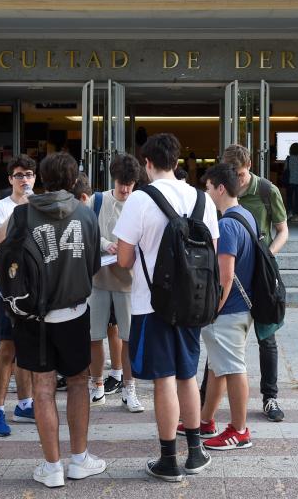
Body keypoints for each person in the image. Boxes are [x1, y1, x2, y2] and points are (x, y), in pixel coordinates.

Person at [115, 133, 217, 482]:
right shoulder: (202, 198)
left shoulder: (140, 200)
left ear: (146, 163)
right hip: (193, 302)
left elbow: (125, 260)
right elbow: (212, 253)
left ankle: (168, 459)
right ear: (178, 162)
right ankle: (196, 451)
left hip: (151, 303)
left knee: (164, 380)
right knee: (188, 375)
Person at [6, 152, 106, 489]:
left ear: (43, 178)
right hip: (75, 313)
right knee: (79, 382)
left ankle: (52, 467)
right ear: (74, 179)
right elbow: (93, 265)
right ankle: (79, 459)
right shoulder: (87, 215)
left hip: (32, 316)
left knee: (43, 389)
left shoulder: (21, 214)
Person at [221, 144, 287, 423]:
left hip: (259, 271)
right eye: (233, 174)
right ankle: (204, 399)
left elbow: (283, 230)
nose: (238, 179)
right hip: (232, 272)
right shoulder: (221, 191)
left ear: (249, 168)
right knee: (221, 336)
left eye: (242, 174)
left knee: (266, 337)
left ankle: (270, 397)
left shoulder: (266, 190)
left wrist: (267, 256)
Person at [199, 163, 256, 451]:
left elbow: (225, 276)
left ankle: (239, 430)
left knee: (232, 368)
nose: (206, 193)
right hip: (242, 308)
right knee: (217, 366)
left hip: (229, 310)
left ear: (220, 188)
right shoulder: (245, 215)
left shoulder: (227, 225)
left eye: (208, 188)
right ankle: (205, 420)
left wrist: (214, 310)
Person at [0, 155, 37, 435]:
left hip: (32, 289)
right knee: (6, 349)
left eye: (28, 174)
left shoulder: (39, 205)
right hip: (4, 289)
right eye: (18, 175)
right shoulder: (1, 208)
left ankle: (25, 404)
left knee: (25, 348)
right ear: (10, 180)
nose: (24, 179)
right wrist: (19, 213)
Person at [88, 154, 144, 413]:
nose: (125, 189)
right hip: (98, 278)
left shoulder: (141, 204)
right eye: (122, 182)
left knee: (128, 337)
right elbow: (86, 231)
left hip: (129, 282)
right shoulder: (97, 200)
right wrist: (104, 244)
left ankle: (128, 388)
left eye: (130, 183)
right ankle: (97, 384)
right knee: (94, 335)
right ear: (114, 179)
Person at [283, 142, 298, 220]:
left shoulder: (289, 159)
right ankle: (296, 215)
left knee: (289, 197)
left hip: (290, 181)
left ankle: (290, 212)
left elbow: (285, 169)